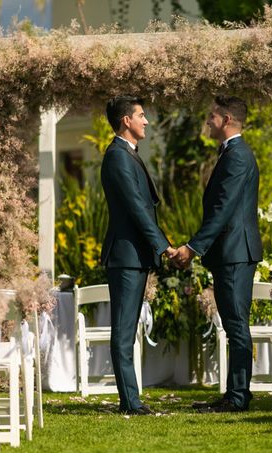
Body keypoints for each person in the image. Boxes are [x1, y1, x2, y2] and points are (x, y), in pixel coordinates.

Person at [173, 95, 263, 412]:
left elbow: (223, 209)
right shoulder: (230, 153)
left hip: (236, 252)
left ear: (226, 120)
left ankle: (238, 397)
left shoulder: (237, 156)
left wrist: (193, 247)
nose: (208, 121)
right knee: (232, 322)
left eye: (212, 116)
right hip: (230, 252)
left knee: (237, 324)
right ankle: (232, 393)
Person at [100, 95, 176, 415]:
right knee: (123, 331)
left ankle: (131, 400)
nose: (147, 121)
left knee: (128, 330)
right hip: (126, 256)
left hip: (135, 256)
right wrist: (165, 246)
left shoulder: (127, 154)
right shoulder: (117, 156)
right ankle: (130, 402)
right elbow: (136, 209)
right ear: (125, 121)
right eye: (141, 115)